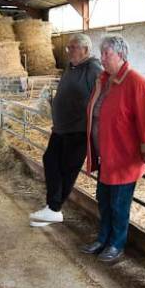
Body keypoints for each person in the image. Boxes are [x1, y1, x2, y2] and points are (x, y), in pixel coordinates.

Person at [80, 35, 145, 263]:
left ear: (121, 55)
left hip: (124, 157)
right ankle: (103, 238)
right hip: (106, 155)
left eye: (107, 54)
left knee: (118, 204)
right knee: (103, 200)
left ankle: (117, 244)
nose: (102, 58)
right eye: (102, 53)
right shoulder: (104, 80)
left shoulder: (135, 82)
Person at [30, 33, 102, 227]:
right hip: (61, 128)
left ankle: (54, 208)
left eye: (73, 47)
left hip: (77, 130)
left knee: (67, 169)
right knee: (50, 160)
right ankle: (53, 208)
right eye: (68, 47)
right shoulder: (72, 67)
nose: (68, 51)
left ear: (85, 50)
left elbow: (101, 98)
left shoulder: (94, 69)